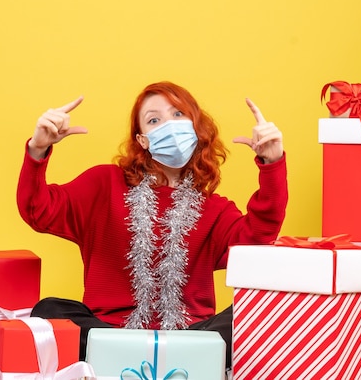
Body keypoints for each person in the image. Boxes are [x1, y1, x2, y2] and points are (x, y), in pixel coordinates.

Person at [16, 81, 288, 368]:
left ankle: (153, 359)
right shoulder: (103, 185)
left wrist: (272, 162)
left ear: (195, 128)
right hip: (110, 334)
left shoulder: (215, 209)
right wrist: (38, 148)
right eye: (154, 120)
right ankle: (154, 360)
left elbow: (259, 236)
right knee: (49, 310)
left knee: (254, 312)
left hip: (190, 337)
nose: (169, 125)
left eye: (178, 115)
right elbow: (37, 209)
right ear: (143, 140)